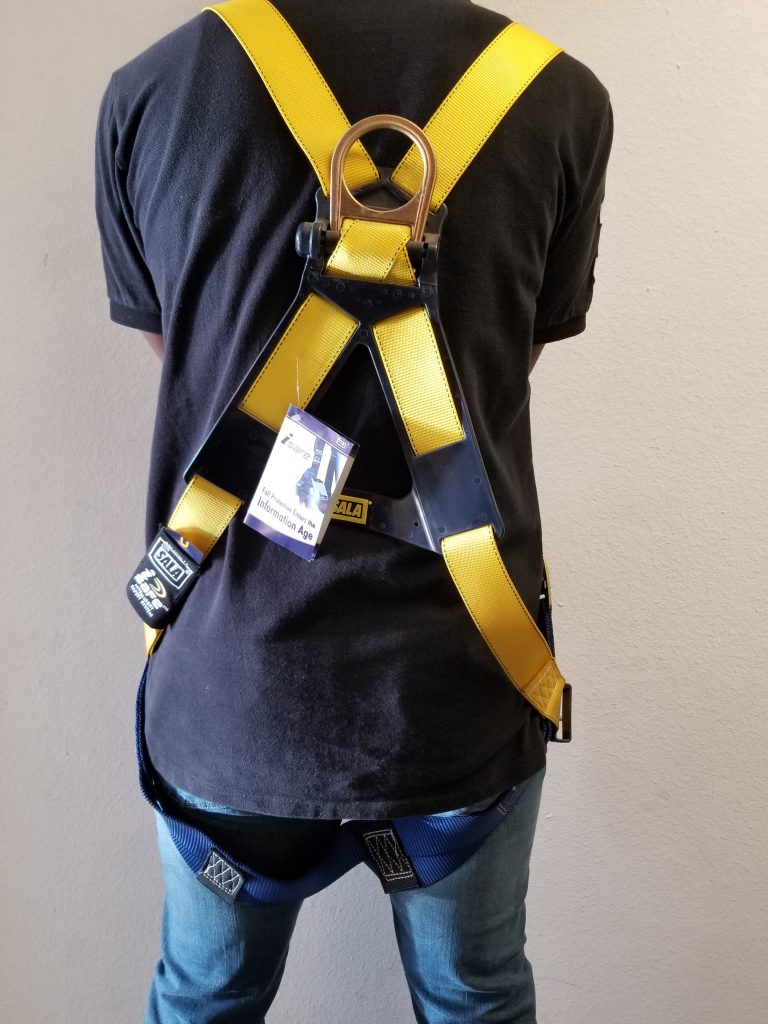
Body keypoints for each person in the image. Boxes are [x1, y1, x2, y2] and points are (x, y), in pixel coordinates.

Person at [95, 1, 612, 1021]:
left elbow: (185, 359)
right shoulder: (560, 98)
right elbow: (504, 365)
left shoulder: (152, 89)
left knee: (202, 1000)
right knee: (476, 999)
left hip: (233, 683)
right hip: (461, 678)